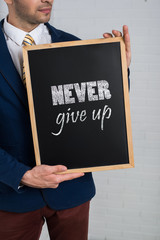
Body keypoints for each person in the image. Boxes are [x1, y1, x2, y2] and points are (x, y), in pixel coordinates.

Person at [0, 0, 131, 239]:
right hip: (11, 194)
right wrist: (21, 174)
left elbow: (101, 105)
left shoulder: (74, 45)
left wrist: (117, 71)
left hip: (72, 191)